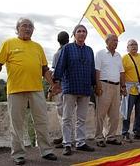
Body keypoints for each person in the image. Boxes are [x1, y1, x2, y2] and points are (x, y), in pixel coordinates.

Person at [0, 18, 58, 165]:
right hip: (16, 90)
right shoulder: (8, 43)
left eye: (31, 26)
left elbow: (45, 70)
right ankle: (18, 155)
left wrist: (53, 84)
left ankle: (46, 151)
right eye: (24, 26)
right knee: (17, 124)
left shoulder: (38, 47)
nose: (28, 28)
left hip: (36, 89)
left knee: (42, 121)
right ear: (17, 28)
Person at [53, 25, 96, 156]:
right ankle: (67, 144)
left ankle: (80, 143)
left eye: (84, 31)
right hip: (70, 87)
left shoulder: (89, 50)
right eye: (79, 31)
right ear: (74, 34)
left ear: (86, 35)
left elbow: (92, 68)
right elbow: (60, 66)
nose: (81, 34)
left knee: (81, 118)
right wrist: (56, 83)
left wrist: (94, 84)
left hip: (85, 87)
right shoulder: (67, 48)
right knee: (67, 118)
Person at [94, 34, 125, 147]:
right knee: (100, 114)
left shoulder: (118, 56)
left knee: (114, 114)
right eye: (113, 40)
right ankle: (98, 137)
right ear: (107, 41)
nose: (116, 42)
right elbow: (96, 71)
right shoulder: (100, 54)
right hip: (104, 85)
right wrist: (98, 86)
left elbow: (121, 72)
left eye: (117, 41)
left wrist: (123, 86)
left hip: (116, 87)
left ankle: (111, 136)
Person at [121, 39, 140, 141]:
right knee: (127, 111)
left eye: (135, 44)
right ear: (127, 47)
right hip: (129, 88)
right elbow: (121, 73)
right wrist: (123, 87)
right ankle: (125, 132)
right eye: (131, 45)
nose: (134, 46)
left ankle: (137, 131)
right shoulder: (124, 58)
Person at [49, 31, 70, 148]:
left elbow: (56, 74)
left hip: (61, 88)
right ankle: (66, 137)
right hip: (71, 87)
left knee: (63, 115)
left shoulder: (58, 54)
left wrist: (52, 88)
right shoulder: (73, 50)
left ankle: (67, 139)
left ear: (58, 40)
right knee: (69, 114)